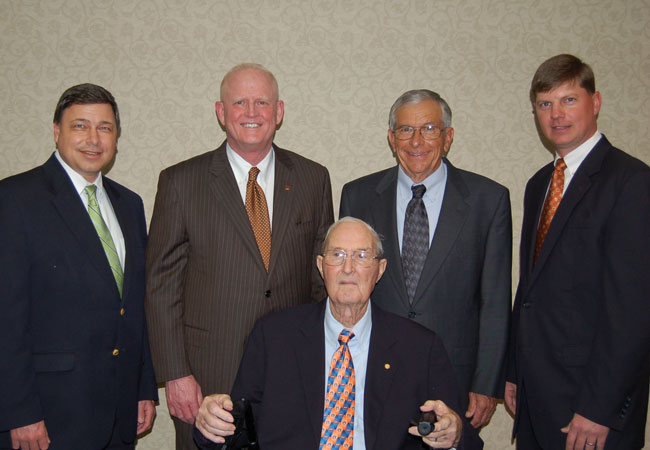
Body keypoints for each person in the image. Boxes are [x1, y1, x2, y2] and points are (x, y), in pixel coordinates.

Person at [145, 63, 334, 449]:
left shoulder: (314, 179)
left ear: (278, 112)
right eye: (239, 102)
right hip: (208, 376)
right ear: (221, 112)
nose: (251, 113)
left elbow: (322, 280)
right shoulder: (181, 182)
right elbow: (161, 287)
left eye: (262, 102)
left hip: (293, 372)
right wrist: (176, 375)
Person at [194, 217, 483, 449]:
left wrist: (453, 434)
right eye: (337, 255)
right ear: (322, 267)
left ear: (379, 270)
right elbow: (235, 431)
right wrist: (212, 423)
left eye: (361, 256)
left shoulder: (420, 346)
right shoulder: (274, 336)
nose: (348, 268)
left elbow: (467, 439)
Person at [339, 89, 511, 428]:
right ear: (391, 138)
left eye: (429, 129)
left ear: (448, 137)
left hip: (453, 376)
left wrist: (486, 383)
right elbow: (344, 290)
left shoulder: (488, 201)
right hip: (371, 370)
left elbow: (495, 301)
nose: (417, 141)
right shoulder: (357, 196)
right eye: (405, 130)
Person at [0, 84, 157, 450]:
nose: (93, 138)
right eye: (79, 126)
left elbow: (135, 308)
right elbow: (5, 319)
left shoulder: (129, 205)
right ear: (57, 132)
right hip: (47, 415)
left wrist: (143, 388)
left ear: (116, 137)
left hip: (118, 410)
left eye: (104, 127)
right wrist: (18, 412)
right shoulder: (15, 200)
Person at [505, 54, 650, 450]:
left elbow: (633, 312)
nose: (556, 114)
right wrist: (516, 371)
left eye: (569, 100)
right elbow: (531, 289)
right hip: (537, 395)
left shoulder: (632, 182)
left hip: (589, 408)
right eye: (545, 104)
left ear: (595, 102)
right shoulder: (540, 184)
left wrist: (599, 407)